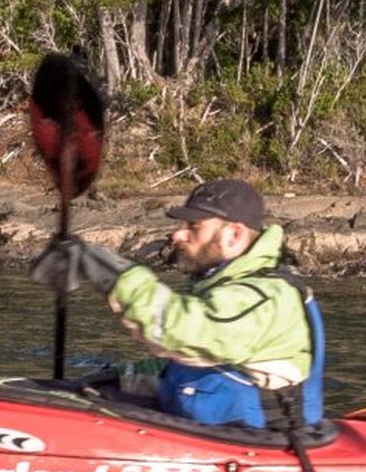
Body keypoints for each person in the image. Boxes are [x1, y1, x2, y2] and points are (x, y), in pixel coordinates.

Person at [30, 178, 324, 431]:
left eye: (193, 226)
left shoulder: (264, 297)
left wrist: (105, 270)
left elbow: (180, 331)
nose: (177, 234)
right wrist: (100, 384)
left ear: (233, 234)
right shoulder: (227, 289)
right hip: (213, 428)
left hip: (253, 444)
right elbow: (191, 365)